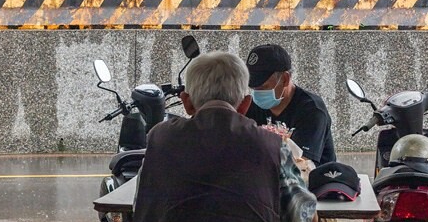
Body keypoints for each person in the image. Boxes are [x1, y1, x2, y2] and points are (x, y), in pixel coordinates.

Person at [133, 51, 317, 222]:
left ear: (186, 102)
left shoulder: (159, 139)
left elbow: (141, 204)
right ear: (245, 106)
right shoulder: (274, 146)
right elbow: (303, 214)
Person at [244, 44, 336, 169]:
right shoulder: (252, 106)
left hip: (310, 181)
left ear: (285, 79)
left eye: (263, 87)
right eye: (253, 87)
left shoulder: (312, 110)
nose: (257, 92)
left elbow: (300, 165)